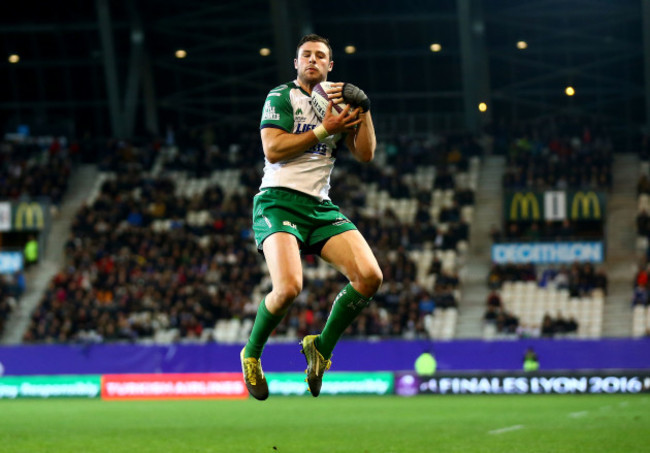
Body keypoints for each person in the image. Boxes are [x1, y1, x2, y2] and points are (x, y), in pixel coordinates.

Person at [240, 34, 382, 400]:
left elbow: (365, 154)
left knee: (369, 277)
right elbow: (272, 149)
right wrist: (324, 130)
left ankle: (321, 347)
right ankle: (252, 354)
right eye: (306, 55)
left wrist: (364, 111)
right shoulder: (281, 96)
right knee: (288, 288)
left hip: (319, 206)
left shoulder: (338, 100)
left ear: (330, 65)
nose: (313, 60)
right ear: (296, 62)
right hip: (278, 202)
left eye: (321, 56)